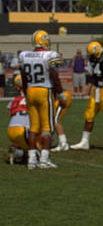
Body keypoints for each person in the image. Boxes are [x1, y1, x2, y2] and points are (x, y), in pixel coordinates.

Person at [19, 30, 66, 169]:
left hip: (30, 90)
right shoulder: (49, 55)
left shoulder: (24, 55)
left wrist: (26, 92)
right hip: (44, 91)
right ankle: (44, 160)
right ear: (44, 40)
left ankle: (31, 160)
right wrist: (60, 93)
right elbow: (53, 75)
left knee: (33, 127)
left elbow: (23, 75)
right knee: (47, 127)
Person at [71, 41, 103, 152]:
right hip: (96, 90)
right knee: (89, 115)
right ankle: (85, 141)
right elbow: (93, 76)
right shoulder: (93, 60)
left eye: (93, 54)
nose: (91, 56)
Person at [6, 74, 29, 165]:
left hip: (11, 129)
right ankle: (19, 153)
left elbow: (11, 113)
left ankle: (16, 150)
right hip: (24, 130)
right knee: (37, 146)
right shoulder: (33, 99)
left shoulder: (14, 99)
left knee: (20, 141)